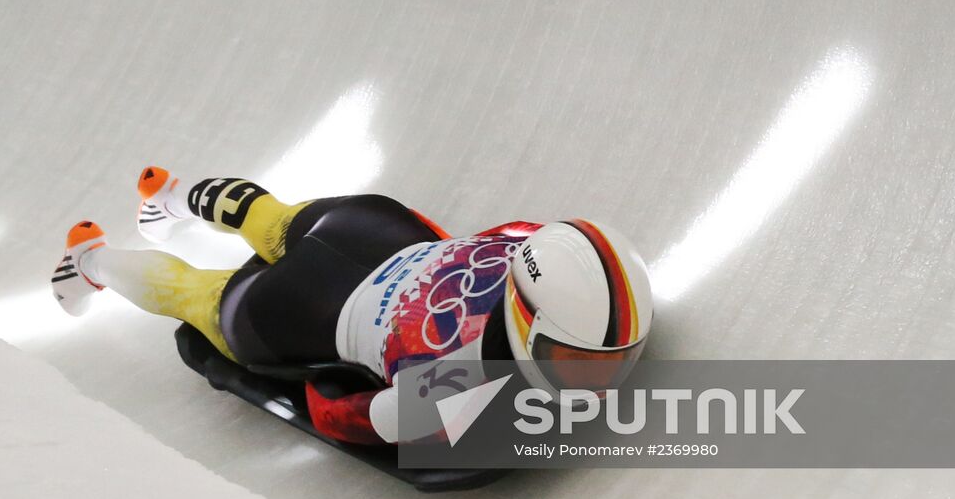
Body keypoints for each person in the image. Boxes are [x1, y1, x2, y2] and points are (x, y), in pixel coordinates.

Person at [52, 168, 653, 444]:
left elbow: (503, 233)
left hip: (370, 227)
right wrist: (318, 379)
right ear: (527, 325)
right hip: (300, 309)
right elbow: (341, 416)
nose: (599, 380)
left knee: (272, 216)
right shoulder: (461, 388)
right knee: (195, 295)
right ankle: (90, 261)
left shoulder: (530, 236)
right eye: (577, 363)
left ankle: (170, 194)